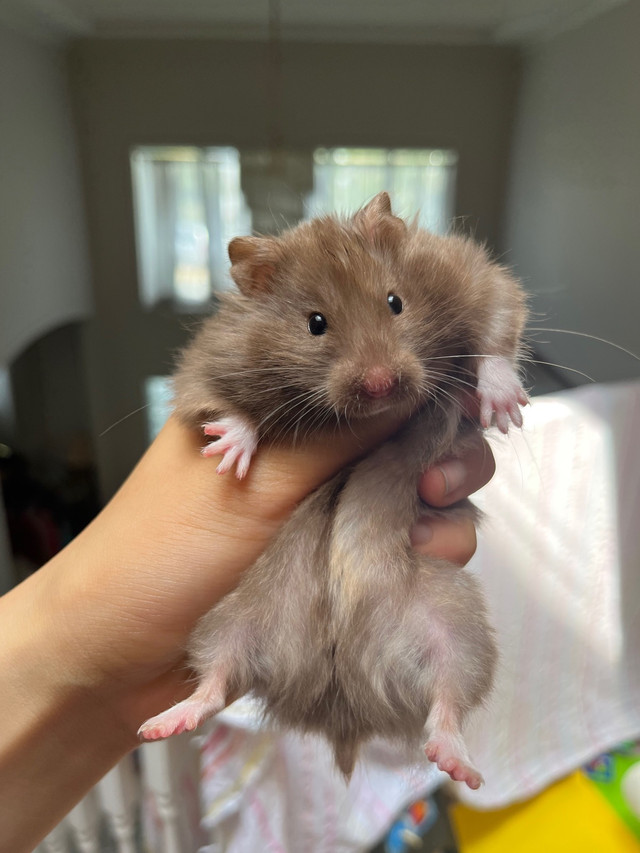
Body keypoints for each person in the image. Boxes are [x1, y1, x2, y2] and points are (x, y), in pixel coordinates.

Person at [0, 413, 495, 852]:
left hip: (394, 569)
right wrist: (240, 417)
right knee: (247, 611)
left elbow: (488, 324)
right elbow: (206, 383)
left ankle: (445, 719)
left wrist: (484, 379)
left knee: (446, 610)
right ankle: (211, 688)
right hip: (284, 582)